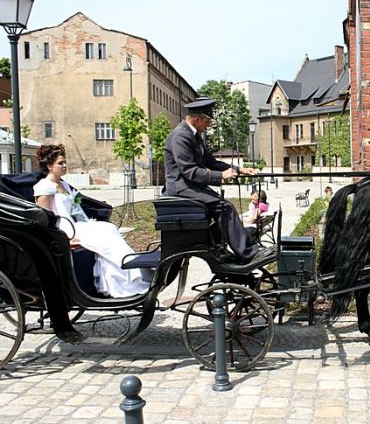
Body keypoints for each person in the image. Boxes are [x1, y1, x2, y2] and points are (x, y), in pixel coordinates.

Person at [33, 144, 149, 298]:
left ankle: (130, 273)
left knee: (108, 228)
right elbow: (44, 219)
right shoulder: (44, 187)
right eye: (60, 163)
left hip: (78, 224)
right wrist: (63, 238)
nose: (65, 165)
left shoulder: (64, 185)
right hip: (65, 229)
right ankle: (128, 273)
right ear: (49, 166)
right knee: (105, 231)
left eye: (65, 162)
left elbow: (77, 208)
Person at [163, 97, 260, 261]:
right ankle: (246, 252)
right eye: (207, 121)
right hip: (181, 188)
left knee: (224, 207)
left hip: (190, 186)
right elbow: (189, 171)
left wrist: (240, 170)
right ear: (197, 119)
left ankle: (216, 246)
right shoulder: (180, 136)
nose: (208, 126)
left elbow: (211, 162)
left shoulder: (194, 135)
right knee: (225, 207)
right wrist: (221, 176)